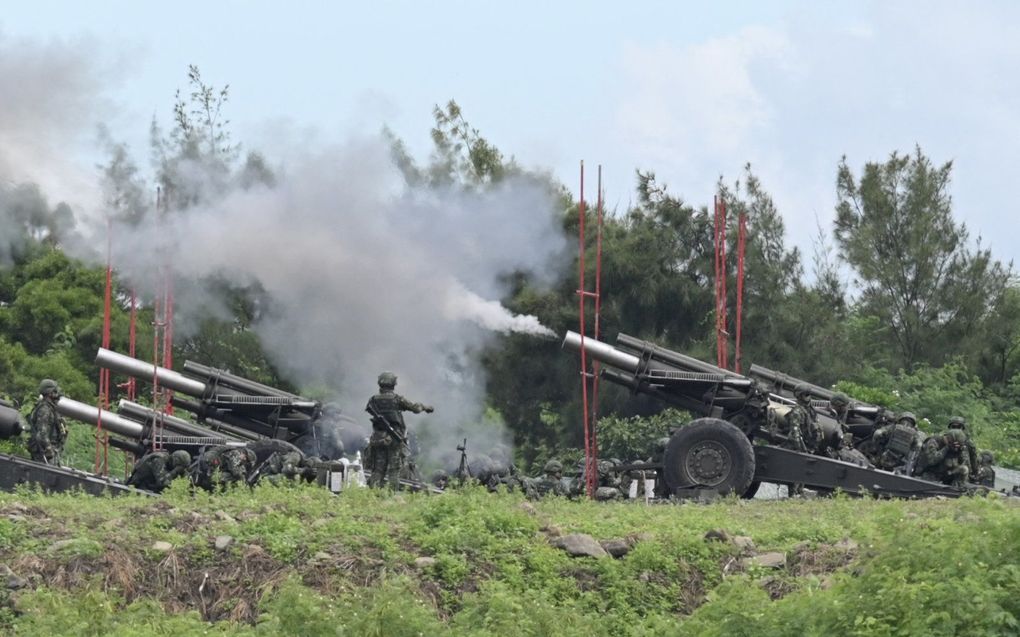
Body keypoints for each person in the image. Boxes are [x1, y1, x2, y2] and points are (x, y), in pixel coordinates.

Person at [364, 372, 433, 489]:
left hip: (378, 438)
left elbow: (368, 409)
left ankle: (373, 495)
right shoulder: (397, 400)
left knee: (378, 469)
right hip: (394, 439)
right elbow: (415, 408)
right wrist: (426, 407)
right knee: (394, 470)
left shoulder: (373, 400)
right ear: (393, 384)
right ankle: (391, 496)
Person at [860, 412, 924, 474]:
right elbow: (918, 446)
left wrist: (876, 443)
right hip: (900, 462)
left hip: (884, 456)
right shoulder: (915, 434)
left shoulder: (893, 427)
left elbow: (878, 433)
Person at [27, 379, 67, 465]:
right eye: (54, 391)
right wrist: (48, 449)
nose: (57, 393)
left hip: (51, 450)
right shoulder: (44, 409)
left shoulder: (51, 407)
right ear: (49, 392)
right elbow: (42, 433)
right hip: (44, 453)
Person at [126, 450, 191, 493]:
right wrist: (176, 471)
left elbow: (188, 486)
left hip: (149, 488)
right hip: (138, 486)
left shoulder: (170, 464)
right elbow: (162, 483)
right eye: (180, 466)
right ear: (175, 460)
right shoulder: (159, 459)